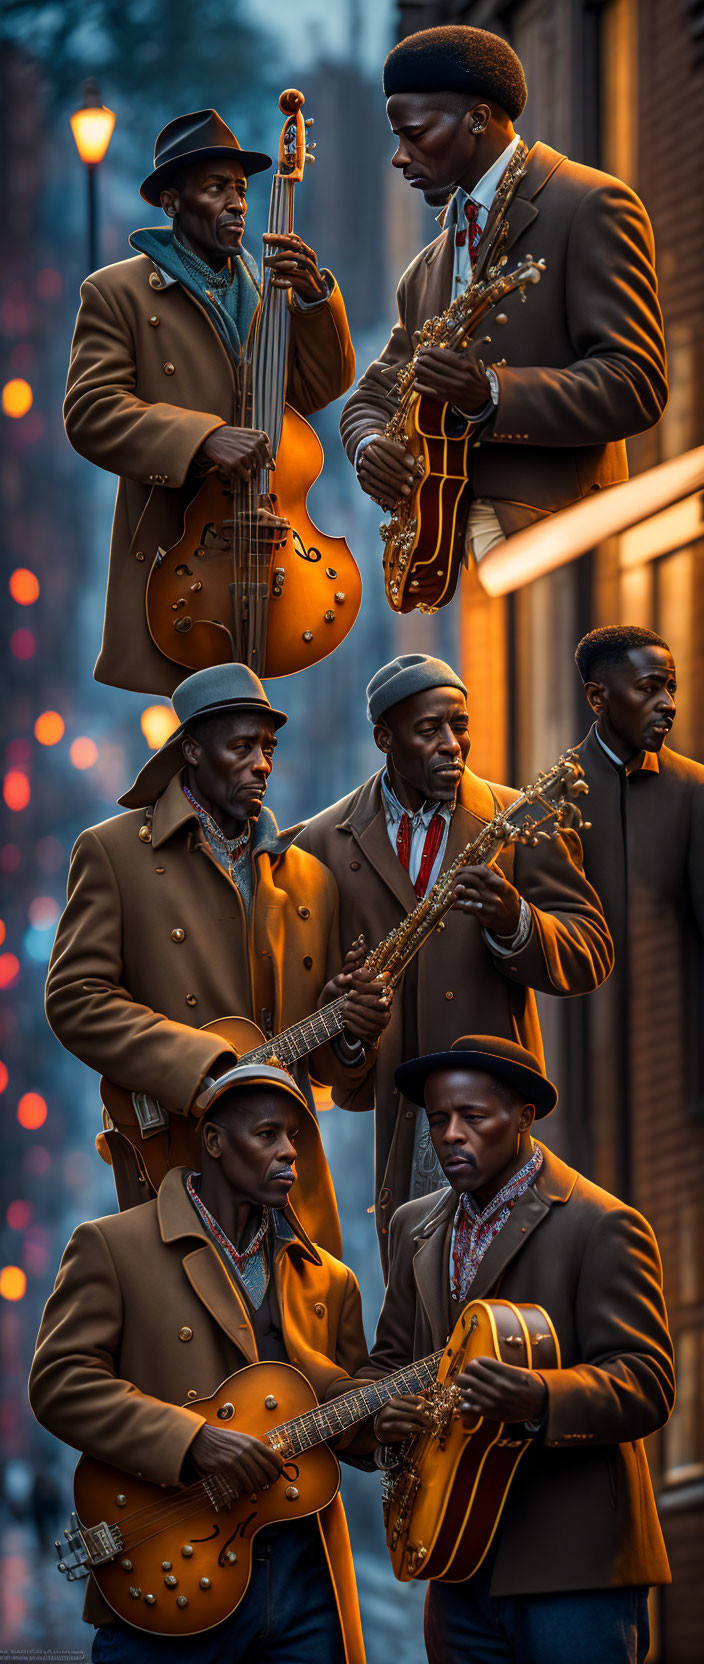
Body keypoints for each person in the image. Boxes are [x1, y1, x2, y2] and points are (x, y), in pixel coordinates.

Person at [29, 1062, 373, 1664]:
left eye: (295, 1135)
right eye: (267, 1134)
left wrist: (388, 1420)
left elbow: (355, 1437)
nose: (290, 1151)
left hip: (305, 1583)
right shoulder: (112, 1247)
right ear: (213, 1141)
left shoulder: (332, 1280)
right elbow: (59, 1382)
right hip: (168, 1577)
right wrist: (192, 1441)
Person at [46, 663, 391, 1250]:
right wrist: (202, 1068)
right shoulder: (112, 853)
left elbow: (332, 1073)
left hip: (289, 1173)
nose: (262, 763)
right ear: (192, 751)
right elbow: (75, 999)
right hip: (178, 1160)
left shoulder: (311, 880)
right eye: (241, 746)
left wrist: (352, 1034)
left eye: (268, 746)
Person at [294, 652, 612, 1261]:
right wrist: (351, 1033)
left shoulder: (524, 821)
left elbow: (591, 950)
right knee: (420, 1306)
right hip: (401, 1128)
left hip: (499, 1117)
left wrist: (514, 920)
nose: (452, 745)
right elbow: (322, 1040)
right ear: (384, 738)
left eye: (460, 725)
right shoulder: (318, 845)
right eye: (428, 730)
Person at [369, 1035, 675, 1664]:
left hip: (575, 1567)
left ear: (525, 1118)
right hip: (454, 1562)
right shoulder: (412, 1226)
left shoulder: (604, 1224)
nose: (451, 1134)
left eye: (473, 1117)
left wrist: (541, 1396)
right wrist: (382, 1417)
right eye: (437, 1119)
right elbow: (389, 1364)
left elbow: (647, 1380)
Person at [342, 24, 667, 579]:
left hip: (565, 551)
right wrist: (369, 444)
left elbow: (636, 383)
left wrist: (490, 393)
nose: (400, 157)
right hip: (454, 560)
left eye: (414, 133)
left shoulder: (594, 205)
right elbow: (370, 396)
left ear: (476, 119)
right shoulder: (426, 267)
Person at [64, 108, 356, 694]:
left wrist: (312, 300)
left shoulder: (271, 287)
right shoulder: (114, 292)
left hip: (274, 548)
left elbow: (321, 388)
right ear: (171, 202)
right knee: (198, 735)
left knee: (251, 733)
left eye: (242, 189)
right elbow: (90, 410)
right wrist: (201, 438)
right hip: (181, 553)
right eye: (215, 188)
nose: (237, 204)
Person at [569, 624, 704, 1190]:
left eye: (670, 688)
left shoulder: (694, 791)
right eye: (649, 688)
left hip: (676, 1068)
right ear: (599, 698)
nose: (667, 704)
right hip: (579, 1071)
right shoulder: (551, 800)